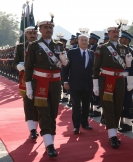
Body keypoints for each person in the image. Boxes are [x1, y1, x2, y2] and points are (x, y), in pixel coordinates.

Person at [25, 15, 68, 158]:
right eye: (45, 27)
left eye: (50, 27)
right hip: (40, 84)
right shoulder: (34, 46)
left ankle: (51, 140)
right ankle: (49, 145)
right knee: (44, 113)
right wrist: (29, 86)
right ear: (40, 30)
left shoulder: (59, 45)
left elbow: (65, 65)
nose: (48, 30)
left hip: (55, 84)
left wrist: (64, 61)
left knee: (53, 113)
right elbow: (29, 67)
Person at [93, 25, 132, 148]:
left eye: (117, 32)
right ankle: (112, 135)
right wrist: (95, 85)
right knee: (108, 107)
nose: (116, 34)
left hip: (120, 80)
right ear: (108, 34)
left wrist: (128, 62)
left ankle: (113, 131)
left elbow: (127, 67)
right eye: (113, 32)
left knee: (118, 107)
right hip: (107, 80)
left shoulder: (125, 48)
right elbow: (95, 68)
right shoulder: (101, 48)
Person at [63, 34, 94, 134]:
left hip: (87, 83)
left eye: (86, 40)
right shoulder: (71, 52)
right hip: (75, 84)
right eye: (82, 40)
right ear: (78, 41)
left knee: (86, 105)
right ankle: (76, 126)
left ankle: (85, 122)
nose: (84, 42)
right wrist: (65, 81)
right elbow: (65, 67)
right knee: (76, 105)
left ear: (88, 42)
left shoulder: (91, 53)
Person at [12, 26, 39, 139]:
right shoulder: (20, 47)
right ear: (26, 35)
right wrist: (20, 66)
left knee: (39, 103)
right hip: (25, 78)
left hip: (40, 78)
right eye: (29, 33)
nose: (32, 35)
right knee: (28, 104)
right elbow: (14, 63)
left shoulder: (42, 46)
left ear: (37, 34)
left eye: (34, 33)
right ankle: (32, 129)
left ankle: (36, 127)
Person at [118, 31, 133, 132]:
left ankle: (128, 123)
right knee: (119, 101)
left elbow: (131, 69)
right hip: (118, 78)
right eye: (121, 38)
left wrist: (130, 83)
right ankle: (122, 121)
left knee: (127, 101)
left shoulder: (130, 52)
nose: (121, 40)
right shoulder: (117, 50)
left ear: (127, 40)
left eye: (123, 39)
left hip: (127, 79)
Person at [88, 33, 102, 117]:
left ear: (95, 40)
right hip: (91, 73)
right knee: (92, 93)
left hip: (95, 73)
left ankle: (97, 111)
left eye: (91, 39)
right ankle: (94, 109)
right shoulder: (91, 48)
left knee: (96, 93)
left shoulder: (97, 49)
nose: (89, 40)